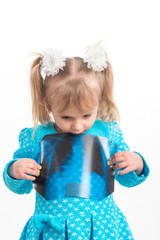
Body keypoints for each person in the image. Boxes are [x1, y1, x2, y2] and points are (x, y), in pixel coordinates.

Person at [3, 42, 150, 240]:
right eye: (66, 117)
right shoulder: (36, 137)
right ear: (48, 105)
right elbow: (19, 186)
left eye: (86, 115)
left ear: (99, 101)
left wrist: (137, 163)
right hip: (53, 229)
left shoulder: (109, 132)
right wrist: (15, 170)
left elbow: (126, 178)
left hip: (100, 229)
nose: (77, 126)